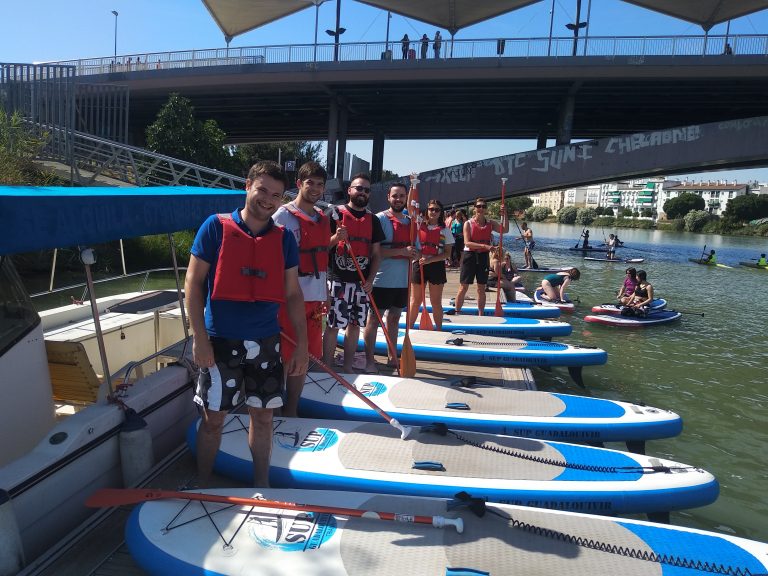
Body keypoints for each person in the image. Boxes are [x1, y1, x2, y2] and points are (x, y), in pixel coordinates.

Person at [185, 161, 308, 488]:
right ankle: (203, 484)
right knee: (213, 421)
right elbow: (193, 284)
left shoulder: (283, 239)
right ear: (248, 185)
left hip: (266, 343)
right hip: (220, 342)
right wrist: (199, 338)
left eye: (277, 195)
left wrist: (302, 347)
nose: (268, 200)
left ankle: (261, 486)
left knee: (264, 418)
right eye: (262, 190)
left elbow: (293, 294)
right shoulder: (215, 227)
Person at [273, 161, 330, 417]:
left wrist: (325, 294)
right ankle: (271, 412)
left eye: (320, 184)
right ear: (299, 184)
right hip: (289, 301)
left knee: (303, 361)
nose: (315, 189)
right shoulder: (282, 216)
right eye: (310, 183)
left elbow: (322, 260)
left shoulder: (322, 218)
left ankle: (291, 410)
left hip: (315, 301)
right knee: (284, 359)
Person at [324, 174, 384, 374]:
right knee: (333, 325)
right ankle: (328, 368)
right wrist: (336, 237)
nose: (363, 193)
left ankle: (348, 368)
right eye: (359, 188)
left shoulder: (373, 220)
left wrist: (370, 280)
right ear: (349, 190)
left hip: (360, 284)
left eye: (366, 190)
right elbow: (320, 247)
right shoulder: (334, 214)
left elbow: (376, 254)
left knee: (355, 325)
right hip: (338, 281)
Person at [364, 183, 419, 372]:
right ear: (389, 197)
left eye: (402, 196)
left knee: (394, 318)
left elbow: (417, 251)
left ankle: (391, 356)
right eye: (395, 196)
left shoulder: (411, 222)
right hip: (381, 280)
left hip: (402, 281)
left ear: (406, 198)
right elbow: (375, 252)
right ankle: (369, 359)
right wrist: (403, 251)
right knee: (374, 320)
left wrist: (415, 254)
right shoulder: (379, 219)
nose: (398, 199)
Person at [454, 198, 508, 315]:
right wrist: (485, 246)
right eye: (479, 206)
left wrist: (505, 214)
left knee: (481, 288)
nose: (481, 209)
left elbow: (505, 230)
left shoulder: (491, 223)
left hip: (483, 257)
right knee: (463, 287)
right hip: (470, 256)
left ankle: (481, 314)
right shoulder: (468, 223)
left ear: (486, 209)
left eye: (483, 206)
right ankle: (457, 312)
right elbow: (467, 242)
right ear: (475, 208)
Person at [408, 199, 453, 329]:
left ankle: (438, 329)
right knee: (415, 301)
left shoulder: (445, 231)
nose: (433, 212)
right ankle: (409, 328)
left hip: (436, 266)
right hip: (419, 265)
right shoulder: (418, 226)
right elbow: (410, 208)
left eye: (437, 210)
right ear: (427, 211)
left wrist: (429, 260)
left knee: (435, 302)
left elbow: (447, 254)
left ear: (440, 212)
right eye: (431, 209)